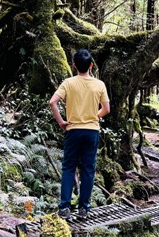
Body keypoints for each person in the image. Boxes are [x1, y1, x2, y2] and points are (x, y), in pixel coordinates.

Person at [48, 49, 110, 220]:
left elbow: (52, 102)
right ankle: (84, 209)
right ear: (91, 65)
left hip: (73, 130)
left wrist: (61, 122)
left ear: (74, 65)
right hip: (91, 132)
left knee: (69, 168)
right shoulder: (99, 85)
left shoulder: (68, 83)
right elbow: (106, 109)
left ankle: (65, 208)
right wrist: (92, 117)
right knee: (88, 170)